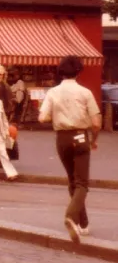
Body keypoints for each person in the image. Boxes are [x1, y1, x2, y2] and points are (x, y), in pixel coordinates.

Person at [38, 55, 102, 243]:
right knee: (82, 183)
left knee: (72, 180)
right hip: (80, 135)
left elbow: (42, 118)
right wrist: (94, 140)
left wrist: (59, 116)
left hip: (62, 138)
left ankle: (83, 224)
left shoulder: (53, 92)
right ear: (78, 72)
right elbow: (97, 123)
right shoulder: (85, 92)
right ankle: (71, 215)